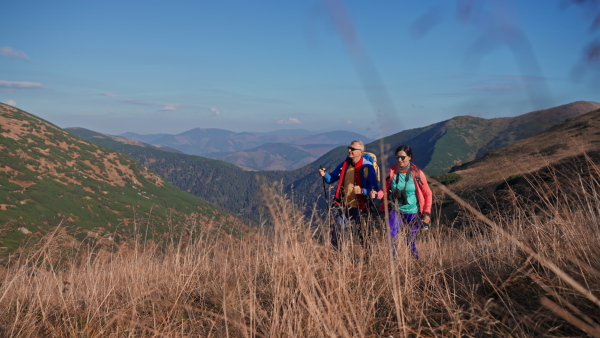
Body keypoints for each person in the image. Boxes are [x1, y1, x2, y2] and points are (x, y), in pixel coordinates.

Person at [318, 140, 380, 248]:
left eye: (353, 149)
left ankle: (368, 257)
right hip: (345, 205)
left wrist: (362, 191)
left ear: (361, 152)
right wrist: (324, 175)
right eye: (349, 148)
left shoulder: (368, 168)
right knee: (337, 232)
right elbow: (331, 179)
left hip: (362, 207)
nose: (349, 150)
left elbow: (374, 190)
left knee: (364, 236)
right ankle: (339, 258)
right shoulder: (345, 164)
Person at [381, 145, 432, 259]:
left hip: (413, 211)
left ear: (410, 157)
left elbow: (428, 193)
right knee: (392, 236)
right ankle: (393, 262)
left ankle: (415, 262)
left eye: (402, 157)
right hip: (395, 209)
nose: (399, 160)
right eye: (397, 157)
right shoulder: (392, 172)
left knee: (411, 240)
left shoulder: (417, 173)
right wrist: (377, 194)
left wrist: (427, 213)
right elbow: (383, 191)